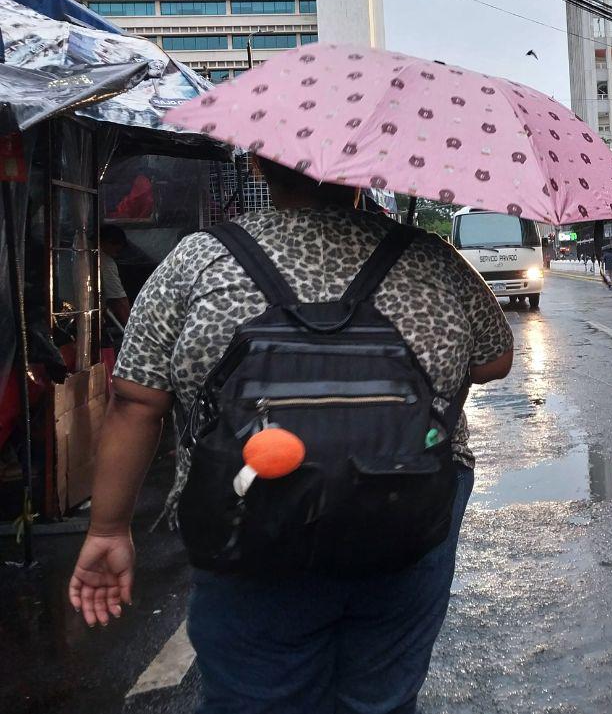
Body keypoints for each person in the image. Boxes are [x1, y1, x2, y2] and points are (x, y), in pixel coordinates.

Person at [68, 157, 514, 713]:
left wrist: (109, 528)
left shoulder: (200, 260)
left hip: (245, 523)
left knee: (257, 699)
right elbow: (495, 361)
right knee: (381, 697)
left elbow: (136, 402)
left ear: (258, 166)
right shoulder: (433, 258)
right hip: (405, 516)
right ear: (373, 167)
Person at [100, 225, 131, 329]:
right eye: (116, 251)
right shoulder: (105, 261)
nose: (116, 255)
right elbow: (119, 301)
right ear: (108, 242)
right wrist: (132, 330)